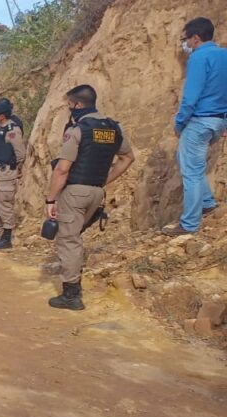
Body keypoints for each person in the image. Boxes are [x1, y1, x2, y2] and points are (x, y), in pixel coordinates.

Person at [46, 85, 135, 310]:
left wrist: (50, 199)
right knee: (75, 236)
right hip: (97, 191)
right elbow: (127, 158)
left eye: (69, 104)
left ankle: (71, 294)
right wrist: (105, 179)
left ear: (77, 105)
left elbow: (62, 169)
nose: (68, 108)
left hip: (75, 191)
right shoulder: (114, 128)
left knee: (69, 239)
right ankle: (74, 278)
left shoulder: (78, 130)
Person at [163, 17, 227, 236]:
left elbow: (191, 96)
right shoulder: (224, 55)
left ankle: (189, 224)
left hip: (199, 120)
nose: (185, 44)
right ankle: (207, 202)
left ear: (196, 38)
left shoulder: (199, 57)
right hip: (218, 121)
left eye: (186, 39)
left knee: (190, 172)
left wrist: (179, 123)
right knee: (192, 164)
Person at [0, 99, 27, 249]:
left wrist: (14, 168)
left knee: (5, 205)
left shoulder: (12, 130)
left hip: (6, 174)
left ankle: (7, 237)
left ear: (2, 116)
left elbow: (20, 154)